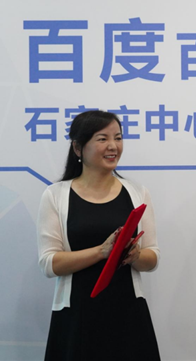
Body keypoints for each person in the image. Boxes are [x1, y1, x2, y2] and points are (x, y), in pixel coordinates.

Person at [36, 110, 161, 361]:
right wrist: (102, 252)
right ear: (78, 148)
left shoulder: (138, 192)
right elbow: (49, 263)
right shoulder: (56, 195)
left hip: (128, 313)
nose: (113, 146)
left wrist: (135, 255)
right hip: (76, 315)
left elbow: (153, 258)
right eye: (102, 139)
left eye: (118, 138)